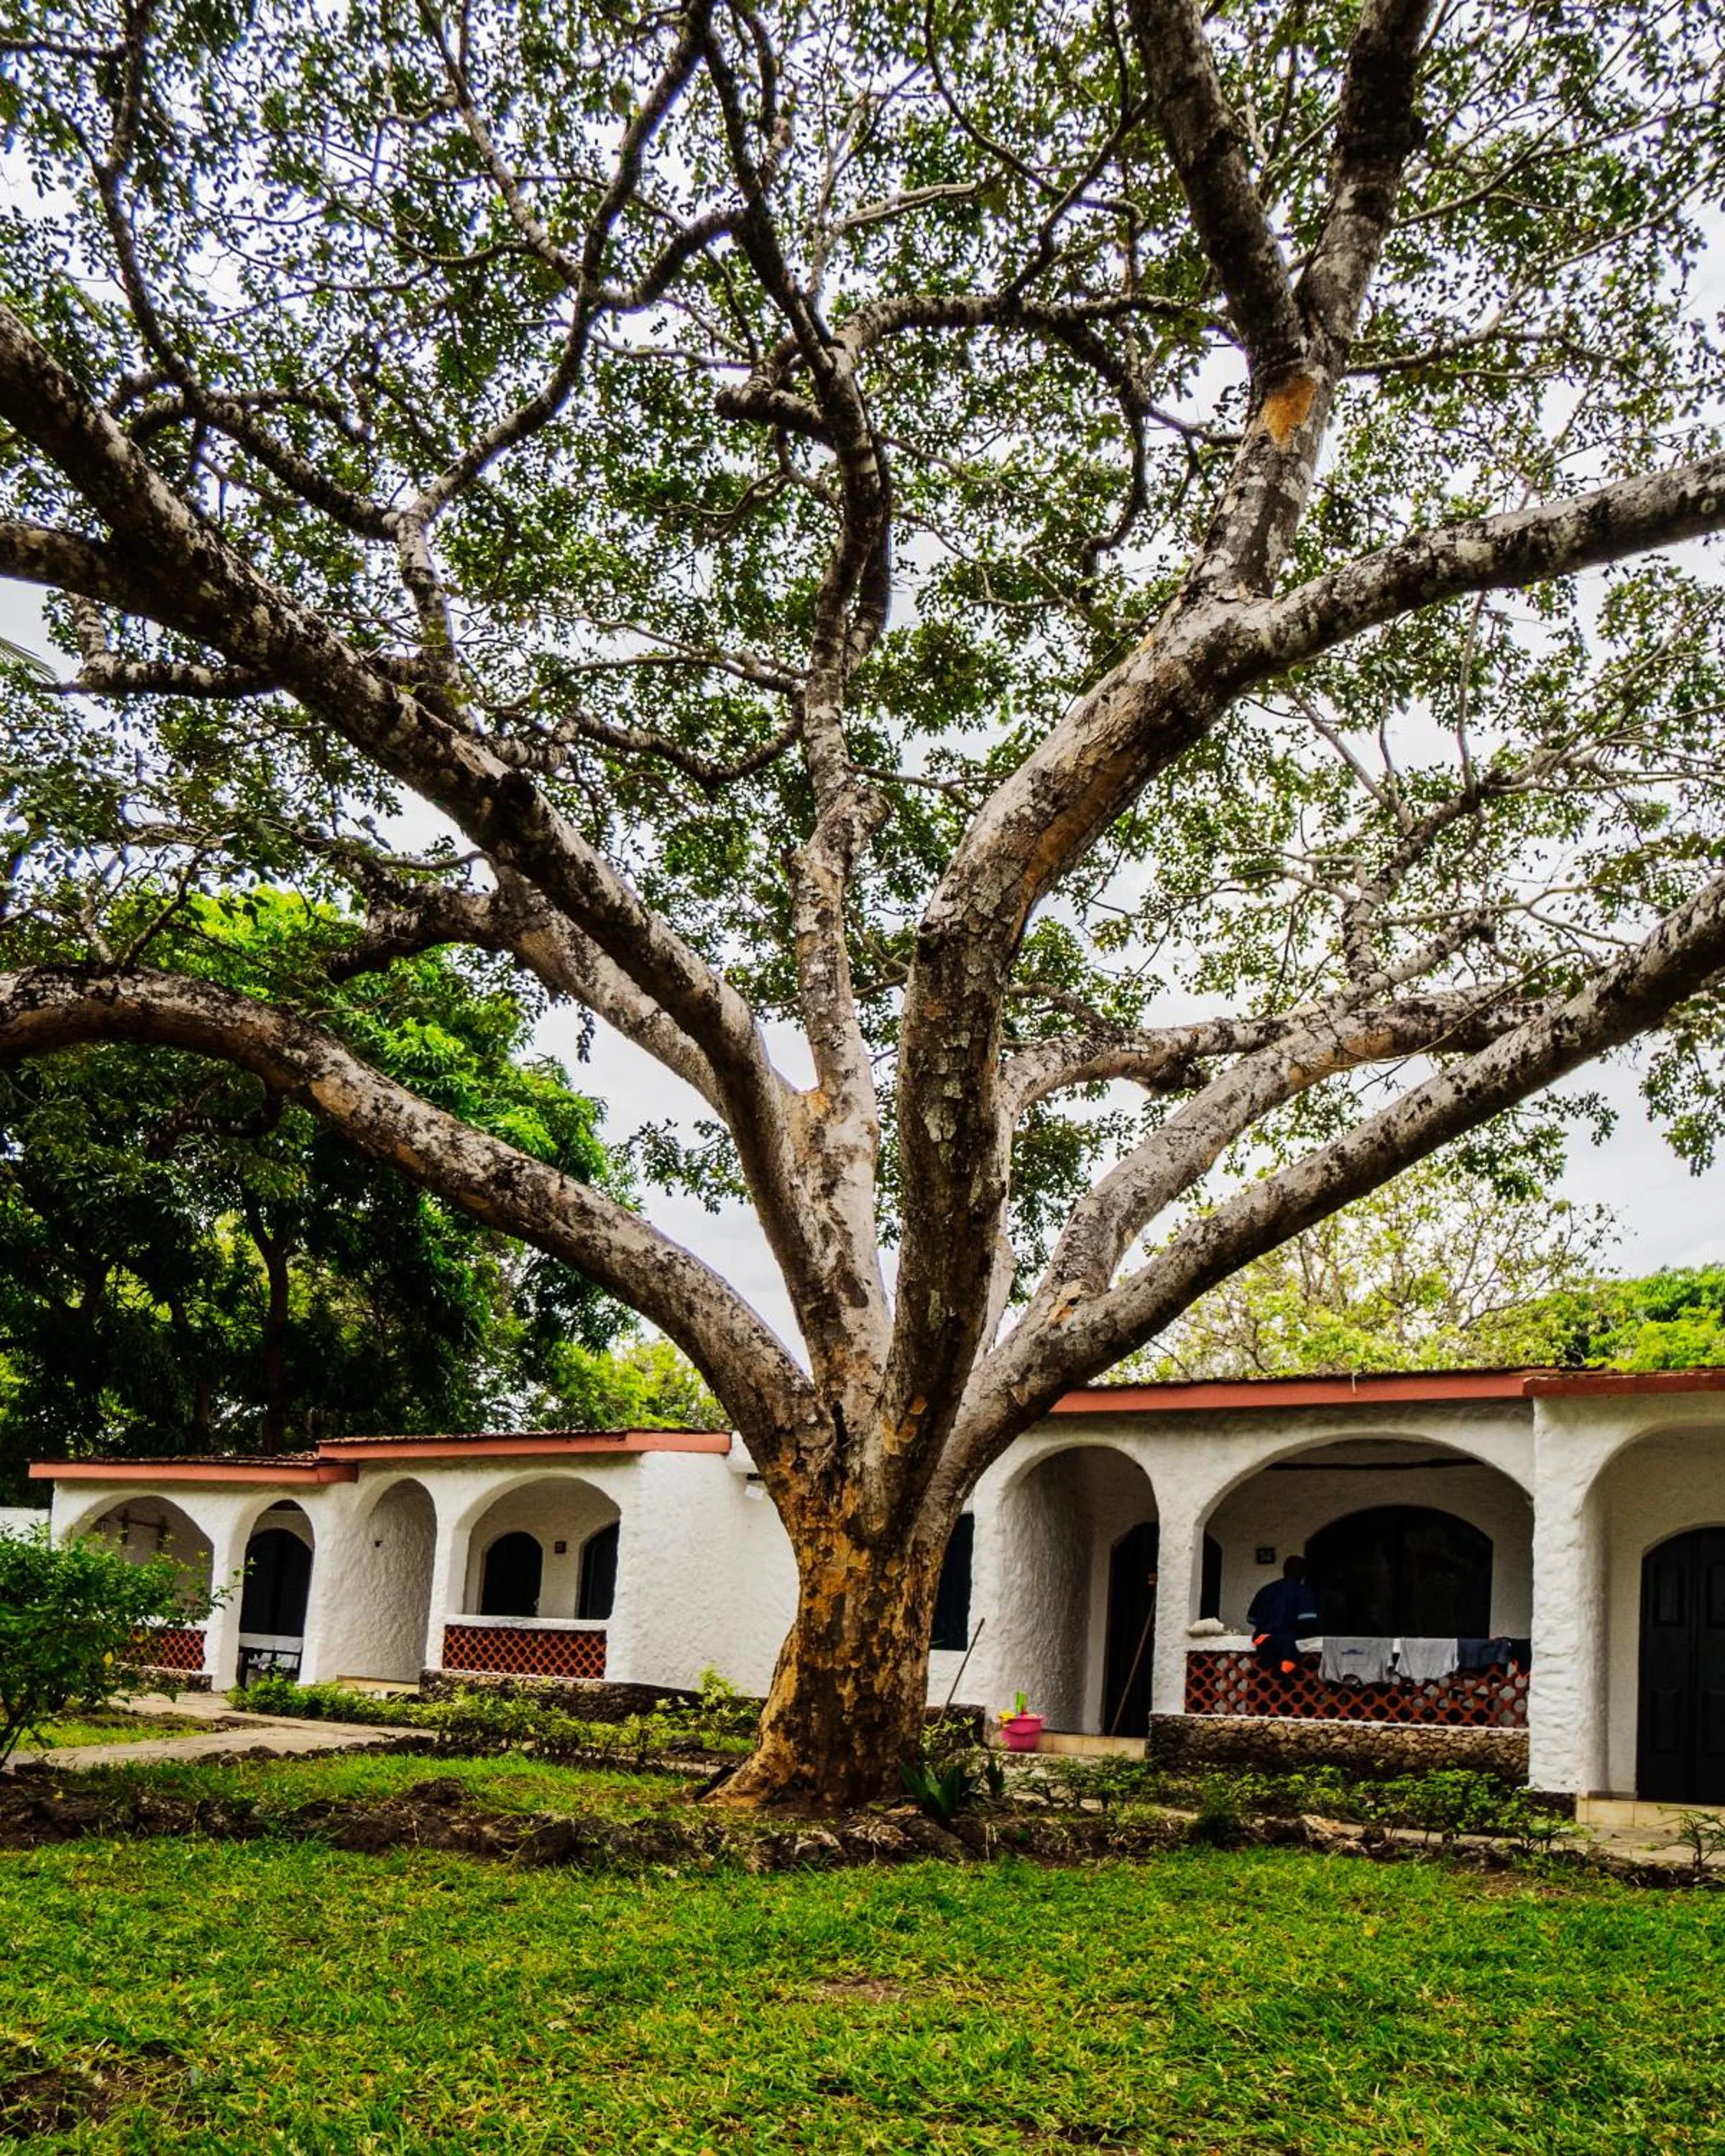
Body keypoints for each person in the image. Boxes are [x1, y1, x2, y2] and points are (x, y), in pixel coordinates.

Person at [1247, 1556, 1320, 1677]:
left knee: (1265, 1684)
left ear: (1284, 1570)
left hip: (1263, 1651)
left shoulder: (1266, 1590)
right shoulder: (1303, 1592)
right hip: (1289, 1653)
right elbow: (1308, 1621)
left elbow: (1252, 1619)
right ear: (1303, 1574)